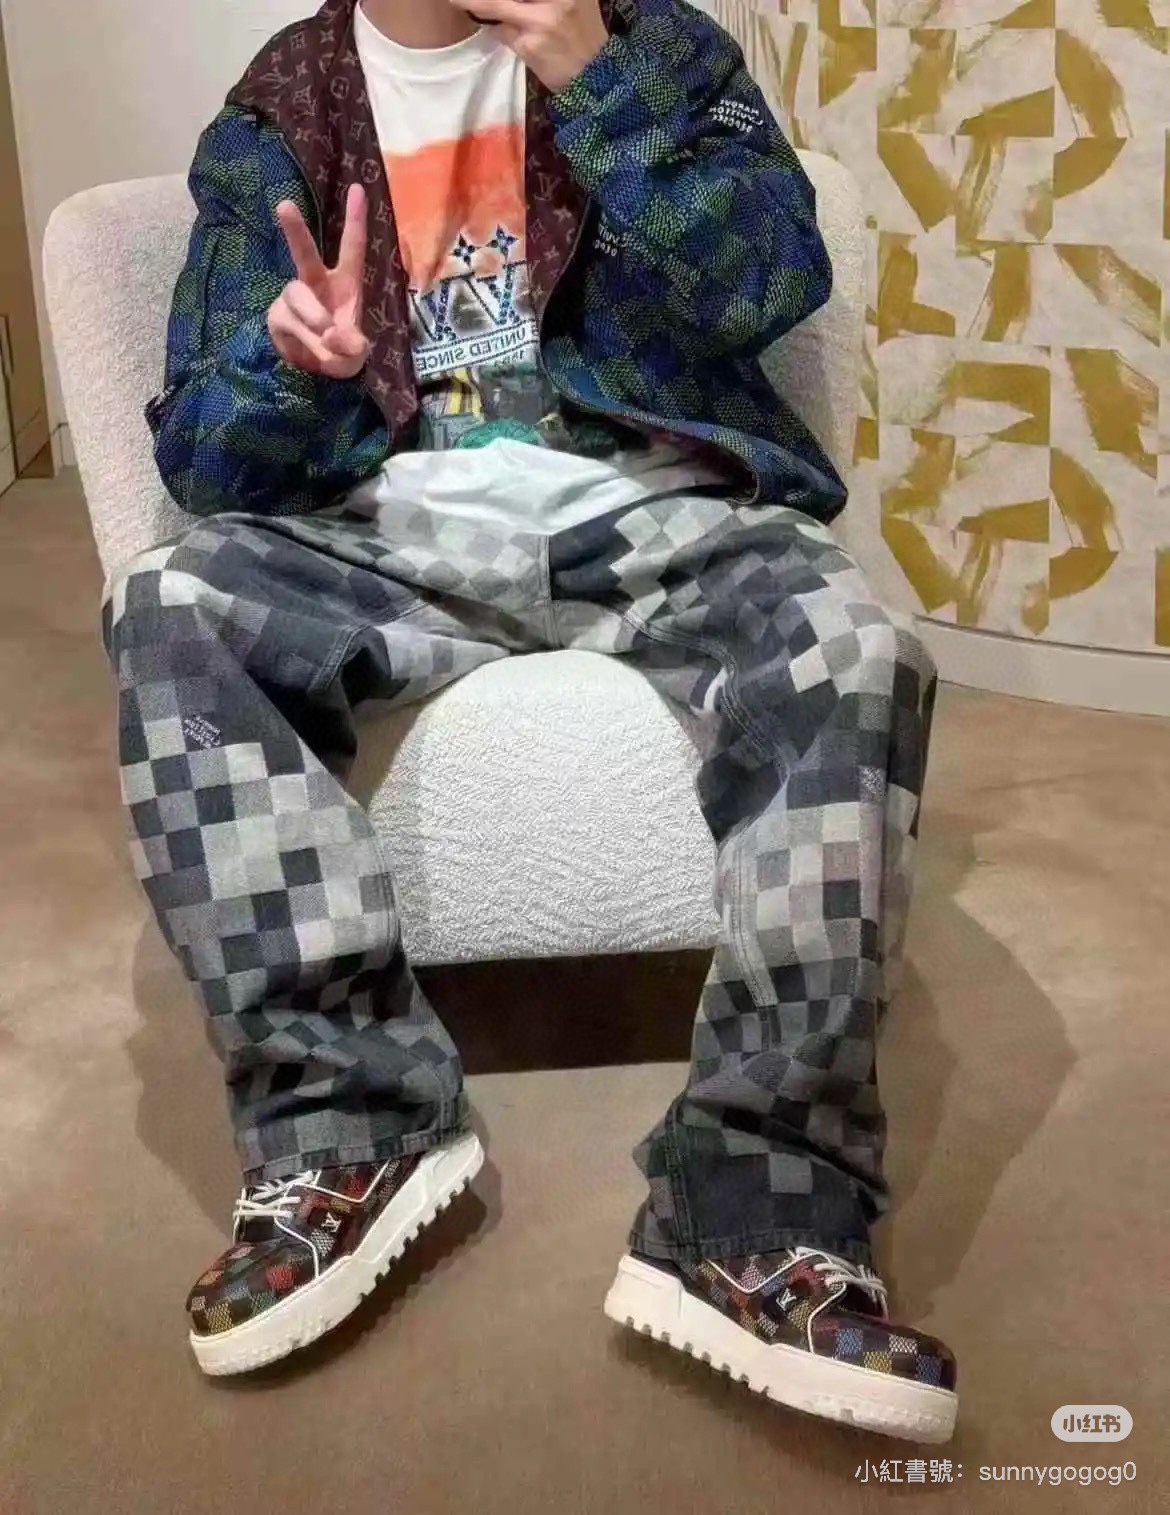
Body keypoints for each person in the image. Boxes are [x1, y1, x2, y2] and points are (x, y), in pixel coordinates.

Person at [104, 0, 957, 1440]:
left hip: (657, 511)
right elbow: (202, 450)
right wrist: (290, 366)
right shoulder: (279, 106)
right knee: (171, 606)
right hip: (389, 525)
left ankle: (760, 1207)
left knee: (854, 650)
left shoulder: (656, 45)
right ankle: (343, 1126)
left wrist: (594, 78)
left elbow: (770, 282)